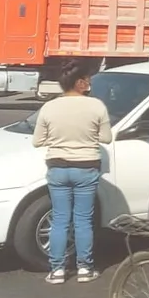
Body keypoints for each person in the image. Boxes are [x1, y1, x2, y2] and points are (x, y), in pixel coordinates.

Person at [31, 61, 112, 284]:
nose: (90, 82)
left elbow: (37, 141)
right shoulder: (96, 106)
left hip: (57, 168)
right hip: (86, 167)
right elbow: (106, 138)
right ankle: (84, 269)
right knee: (83, 220)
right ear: (80, 83)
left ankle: (57, 270)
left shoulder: (49, 107)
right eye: (88, 78)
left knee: (60, 219)